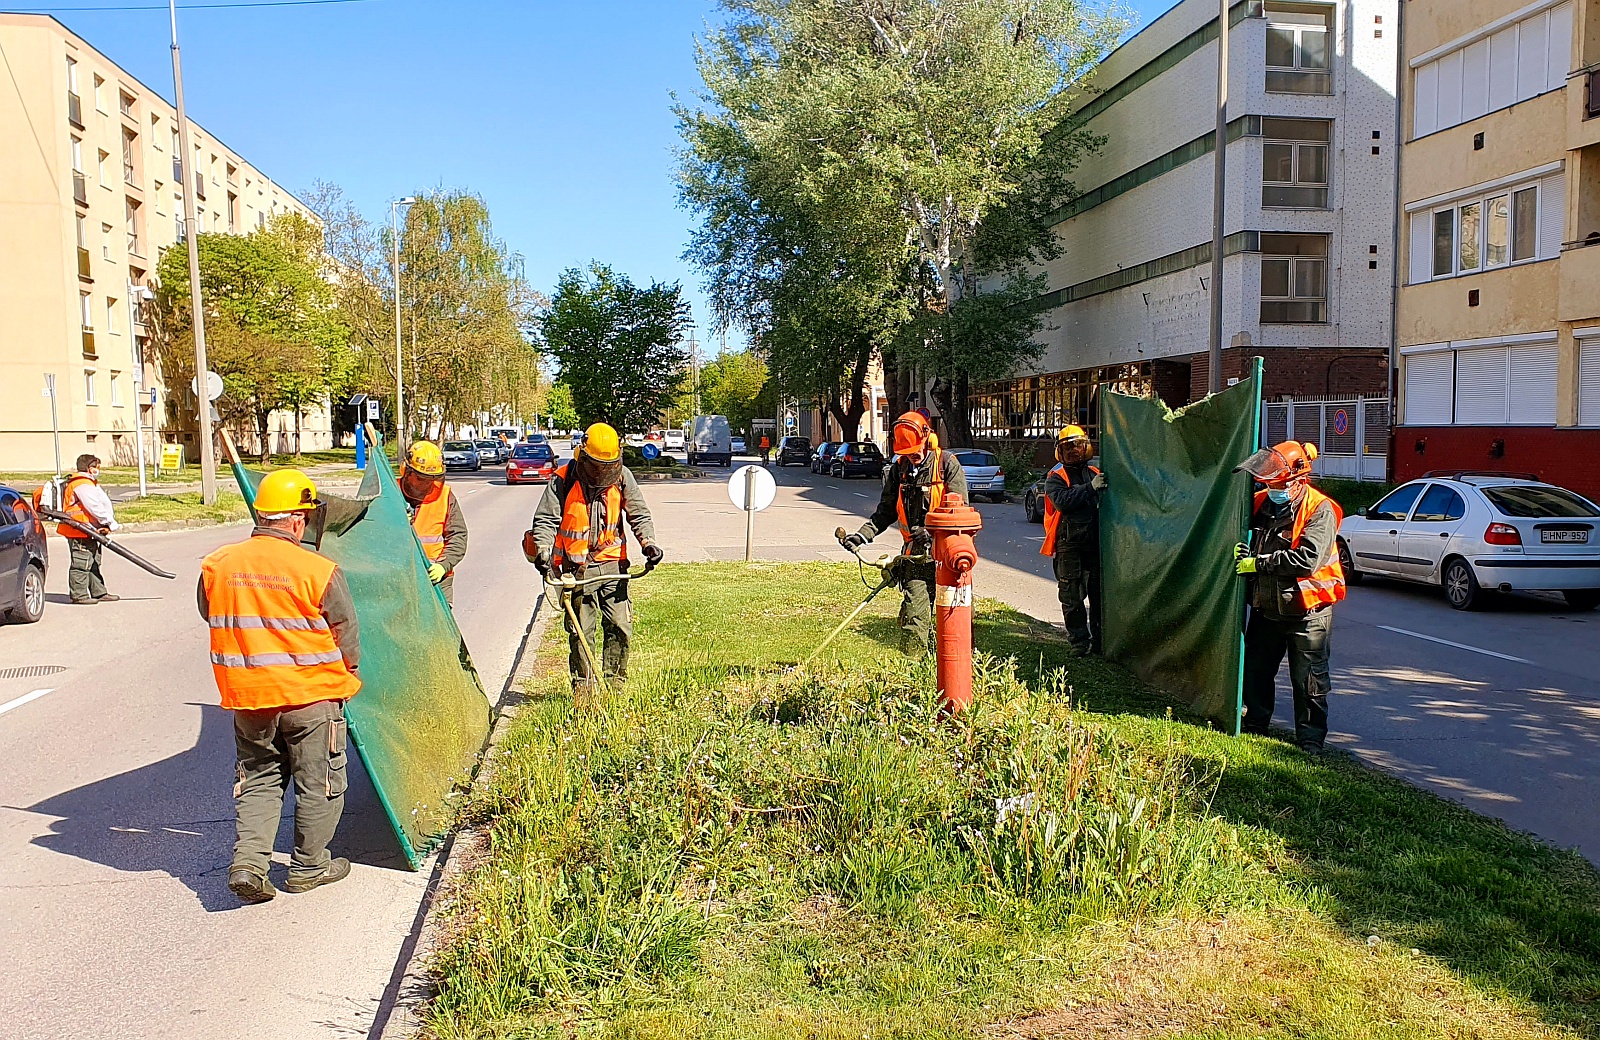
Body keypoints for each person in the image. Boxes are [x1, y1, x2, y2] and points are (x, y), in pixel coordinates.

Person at [197, 469, 361, 903]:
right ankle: (309, 866)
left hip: (250, 699)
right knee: (319, 780)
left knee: (259, 781)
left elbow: (209, 612)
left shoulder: (218, 564)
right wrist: (351, 673)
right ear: (294, 520)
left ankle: (249, 864)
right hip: (311, 698)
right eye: (306, 518)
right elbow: (344, 629)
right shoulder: (317, 570)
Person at [528, 422, 663, 696]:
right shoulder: (563, 480)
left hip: (614, 567)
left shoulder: (622, 477)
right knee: (581, 633)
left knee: (619, 627)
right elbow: (545, 521)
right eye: (597, 466)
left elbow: (639, 513)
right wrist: (543, 550)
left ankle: (614, 687)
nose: (603, 472)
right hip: (576, 571)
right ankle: (585, 692)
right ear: (584, 458)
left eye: (608, 465)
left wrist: (648, 543)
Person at [1234, 440, 1345, 752]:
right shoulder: (1262, 503)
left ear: (1299, 480)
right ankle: (1255, 725)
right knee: (1256, 671)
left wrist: (1259, 563)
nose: (1273, 490)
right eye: (1269, 485)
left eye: (1279, 485)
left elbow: (1307, 560)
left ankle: (1310, 742)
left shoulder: (1320, 510)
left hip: (1308, 611)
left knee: (1309, 681)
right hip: (1267, 608)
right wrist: (1241, 547)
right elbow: (1238, 527)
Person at [837, 411, 967, 656]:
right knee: (915, 617)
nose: (913, 459)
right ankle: (913, 666)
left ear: (928, 441)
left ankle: (957, 665)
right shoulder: (899, 470)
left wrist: (931, 531)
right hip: (914, 559)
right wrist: (862, 536)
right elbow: (886, 511)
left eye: (916, 452)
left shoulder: (947, 465)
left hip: (947, 558)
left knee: (954, 617)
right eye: (906, 454)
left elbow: (959, 514)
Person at [1040, 425, 1107, 654]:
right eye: (1068, 448)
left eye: (1077, 446)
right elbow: (1064, 501)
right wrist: (1090, 488)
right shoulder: (1055, 478)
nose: (1074, 451)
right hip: (1069, 545)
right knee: (1072, 597)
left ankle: (1099, 641)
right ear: (1060, 451)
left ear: (1086, 447)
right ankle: (1079, 642)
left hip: (1094, 544)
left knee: (1098, 596)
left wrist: (1093, 484)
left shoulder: (1095, 472)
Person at [400, 441, 468, 606]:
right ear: (407, 471)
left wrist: (443, 565)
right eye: (421, 478)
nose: (427, 484)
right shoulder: (390, 494)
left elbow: (458, 536)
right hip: (399, 581)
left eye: (432, 479)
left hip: (437, 582)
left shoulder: (445, 497)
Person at [58, 454, 121, 605]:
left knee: (93, 562)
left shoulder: (88, 482)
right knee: (81, 563)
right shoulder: (81, 484)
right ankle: (79, 595)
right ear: (89, 468)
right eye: (96, 467)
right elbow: (94, 507)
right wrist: (109, 522)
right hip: (80, 530)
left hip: (90, 530)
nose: (99, 470)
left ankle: (99, 592)